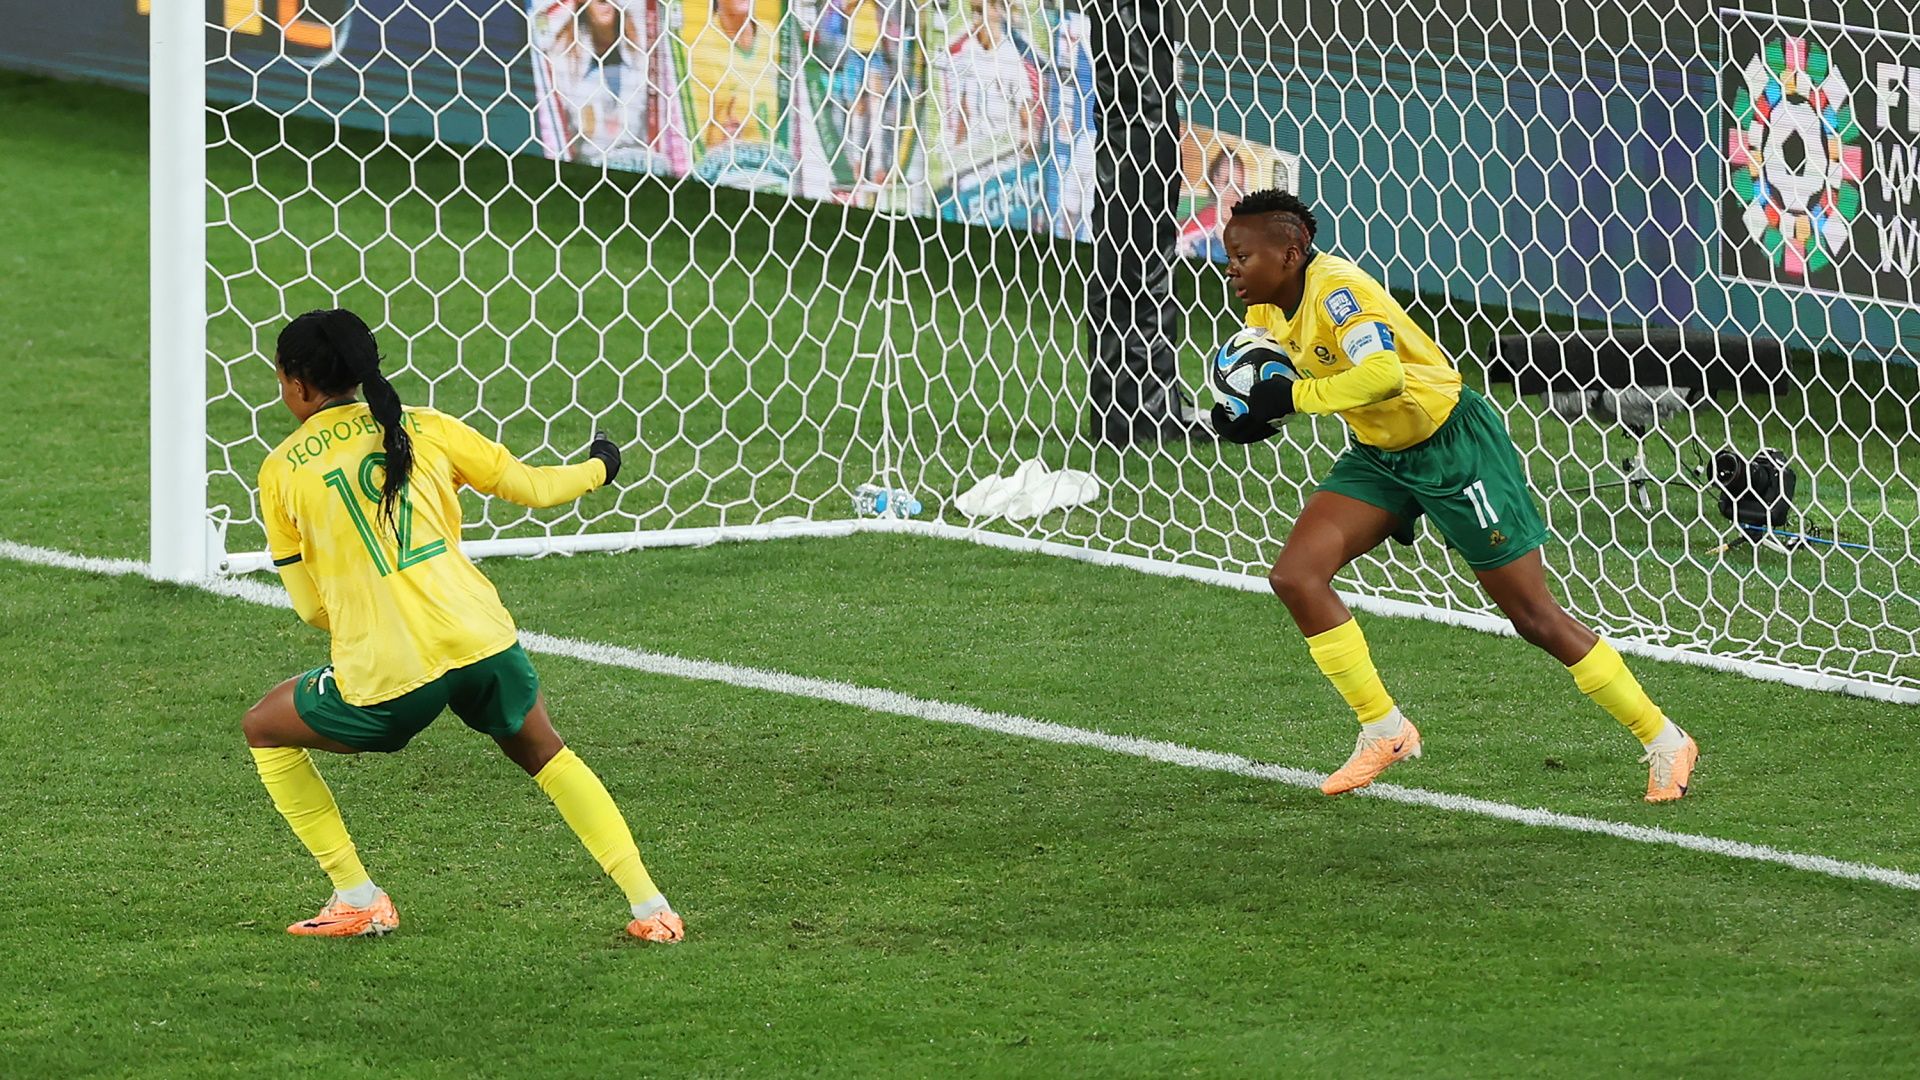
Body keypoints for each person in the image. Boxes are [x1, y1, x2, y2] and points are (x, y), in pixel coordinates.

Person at [1208, 190, 1700, 803]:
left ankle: (1664, 739)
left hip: (1454, 448)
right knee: (1297, 577)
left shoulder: (1340, 293)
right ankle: (1384, 730)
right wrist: (1234, 413)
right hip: (1381, 454)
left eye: (1242, 256)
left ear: (1290, 253)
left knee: (1533, 617)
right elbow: (1266, 370)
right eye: (1228, 255)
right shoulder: (1266, 310)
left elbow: (1381, 374)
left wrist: (1291, 400)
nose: (1230, 267)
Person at [243, 308, 684, 941]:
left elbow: (310, 608)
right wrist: (600, 468)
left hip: (393, 673)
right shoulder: (426, 427)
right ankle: (652, 908)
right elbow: (533, 488)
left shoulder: (281, 470)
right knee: (547, 753)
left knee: (264, 725)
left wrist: (370, 612)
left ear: (297, 385)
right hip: (482, 639)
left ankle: (358, 896)